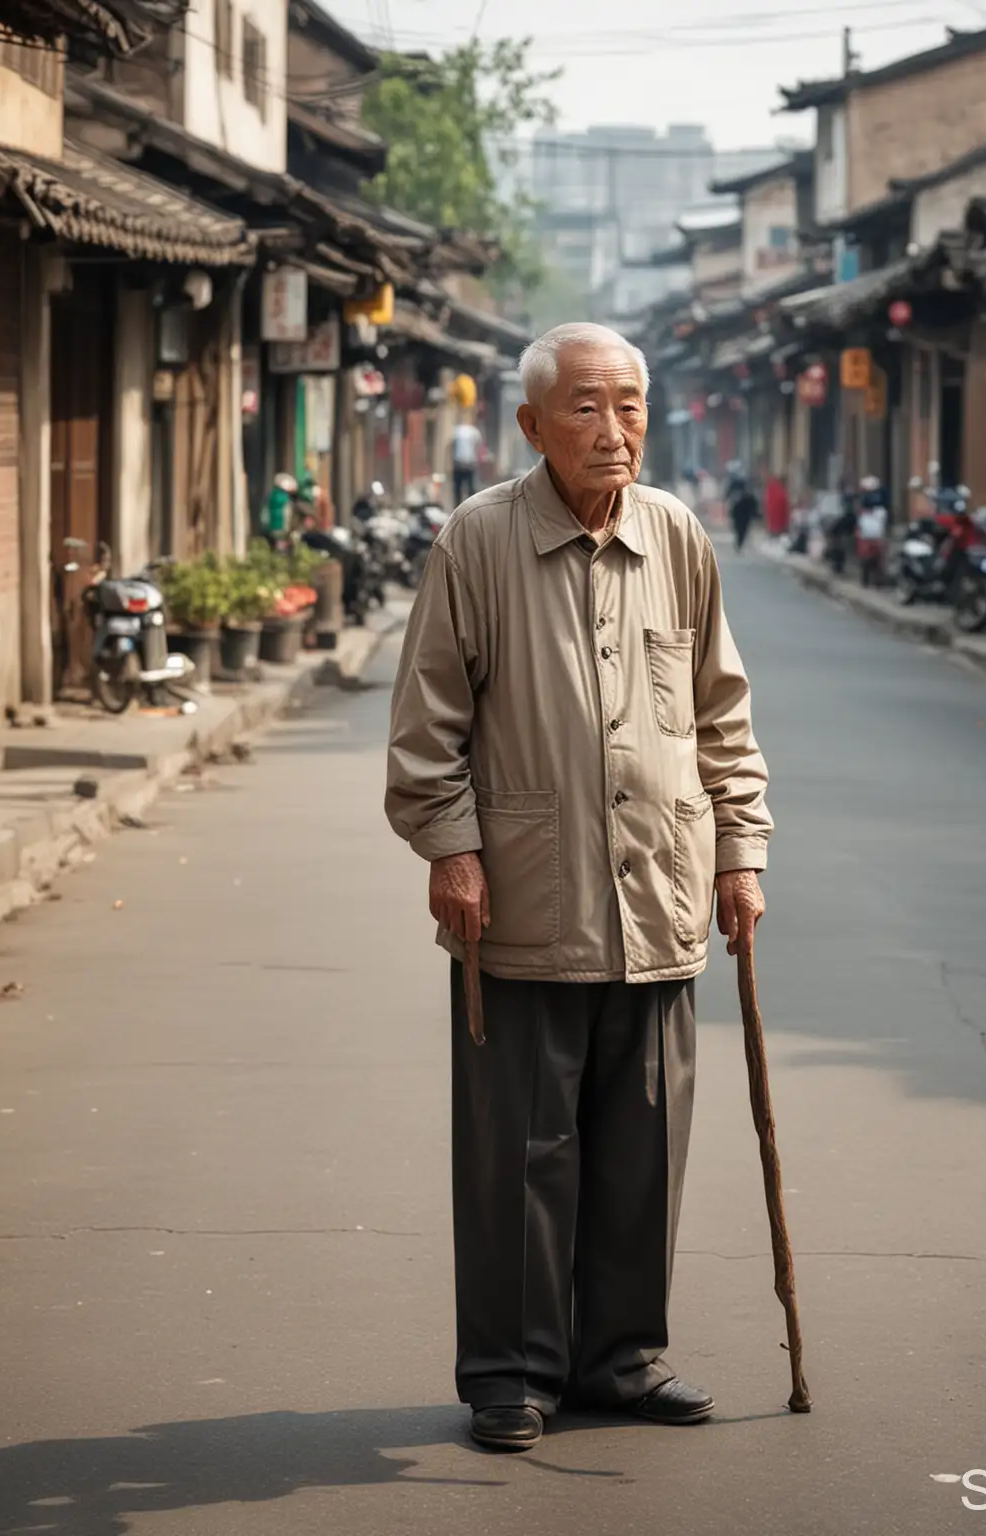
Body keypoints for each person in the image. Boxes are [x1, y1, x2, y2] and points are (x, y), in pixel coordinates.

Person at [385, 321, 772, 1454]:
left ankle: (620, 1359)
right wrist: (452, 850)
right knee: (523, 1153)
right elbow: (427, 730)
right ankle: (511, 1370)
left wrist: (740, 848)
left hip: (658, 901)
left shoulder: (677, 536)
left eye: (632, 406)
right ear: (533, 425)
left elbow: (720, 712)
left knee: (642, 1148)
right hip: (527, 901)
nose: (616, 430)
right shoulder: (479, 539)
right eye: (589, 407)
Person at [855, 475, 890, 588]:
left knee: (875, 557)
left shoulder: (877, 509)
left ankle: (874, 580)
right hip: (870, 534)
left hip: (873, 534)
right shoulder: (874, 509)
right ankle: (871, 580)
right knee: (871, 557)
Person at [728, 463, 761, 553]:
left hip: (745, 509)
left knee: (743, 528)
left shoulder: (747, 483)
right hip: (738, 510)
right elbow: (728, 493)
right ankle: (739, 542)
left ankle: (740, 542)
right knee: (739, 528)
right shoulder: (734, 483)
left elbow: (753, 499)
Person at [451, 418, 483, 505]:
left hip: (464, 462)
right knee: (466, 488)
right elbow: (478, 445)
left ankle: (463, 506)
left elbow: (452, 445)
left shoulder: (461, 430)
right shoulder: (460, 430)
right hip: (466, 462)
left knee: (461, 488)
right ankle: (468, 506)